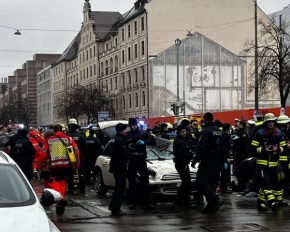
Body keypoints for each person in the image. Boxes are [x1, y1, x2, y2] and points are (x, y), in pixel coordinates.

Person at [38, 124, 80, 215]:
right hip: (66, 166)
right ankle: (60, 203)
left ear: (53, 130)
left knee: (55, 183)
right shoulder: (69, 139)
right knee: (62, 183)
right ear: (62, 130)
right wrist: (77, 164)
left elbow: (43, 154)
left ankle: (60, 199)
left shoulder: (48, 140)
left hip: (54, 166)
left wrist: (38, 165)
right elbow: (76, 151)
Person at [251, 113, 287, 212]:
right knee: (267, 184)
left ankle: (261, 202)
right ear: (265, 123)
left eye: (272, 122)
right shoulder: (259, 133)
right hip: (262, 164)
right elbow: (253, 148)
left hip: (274, 164)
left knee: (271, 184)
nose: (271, 124)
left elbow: (284, 148)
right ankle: (272, 202)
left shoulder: (279, 134)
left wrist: (278, 149)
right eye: (269, 122)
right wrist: (263, 150)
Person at [192, 112, 226, 213]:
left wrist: (195, 160)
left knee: (200, 181)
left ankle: (215, 199)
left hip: (207, 160)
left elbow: (201, 148)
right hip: (217, 161)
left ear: (204, 119)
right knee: (212, 183)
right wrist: (223, 160)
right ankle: (211, 206)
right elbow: (223, 147)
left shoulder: (205, 131)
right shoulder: (219, 131)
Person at [126, 118, 156, 209]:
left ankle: (149, 202)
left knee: (145, 181)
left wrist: (144, 142)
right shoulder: (128, 134)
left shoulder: (143, 133)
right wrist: (129, 147)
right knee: (132, 182)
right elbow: (124, 145)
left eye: (134, 125)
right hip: (132, 159)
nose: (132, 127)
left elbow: (153, 141)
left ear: (136, 125)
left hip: (141, 159)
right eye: (131, 126)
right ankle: (133, 202)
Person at [109, 123, 131, 216]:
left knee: (118, 188)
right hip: (119, 166)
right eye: (125, 129)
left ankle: (113, 206)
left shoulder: (114, 138)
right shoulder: (120, 140)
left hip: (115, 165)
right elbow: (124, 153)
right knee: (120, 189)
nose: (126, 130)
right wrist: (135, 155)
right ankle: (116, 209)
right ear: (122, 130)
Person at [173, 125, 193, 208]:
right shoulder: (179, 141)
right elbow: (180, 153)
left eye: (185, 131)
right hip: (181, 163)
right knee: (186, 182)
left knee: (186, 182)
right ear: (178, 132)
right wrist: (190, 155)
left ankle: (181, 200)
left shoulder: (181, 139)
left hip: (183, 163)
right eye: (182, 131)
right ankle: (182, 200)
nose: (184, 133)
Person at [67, 119, 88, 194]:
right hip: (80, 158)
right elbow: (85, 148)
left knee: (70, 174)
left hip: (69, 158)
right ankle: (81, 188)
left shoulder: (67, 137)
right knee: (81, 173)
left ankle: (71, 188)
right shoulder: (81, 136)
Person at [276, 115, 290, 195]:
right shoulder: (277, 133)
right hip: (279, 157)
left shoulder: (286, 132)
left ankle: (285, 189)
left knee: (286, 174)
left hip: (286, 157)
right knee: (280, 175)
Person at [220, 123, 232, 194]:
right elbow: (225, 148)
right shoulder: (226, 136)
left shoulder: (221, 134)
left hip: (221, 156)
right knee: (225, 173)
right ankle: (224, 188)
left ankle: (223, 187)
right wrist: (226, 157)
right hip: (225, 156)